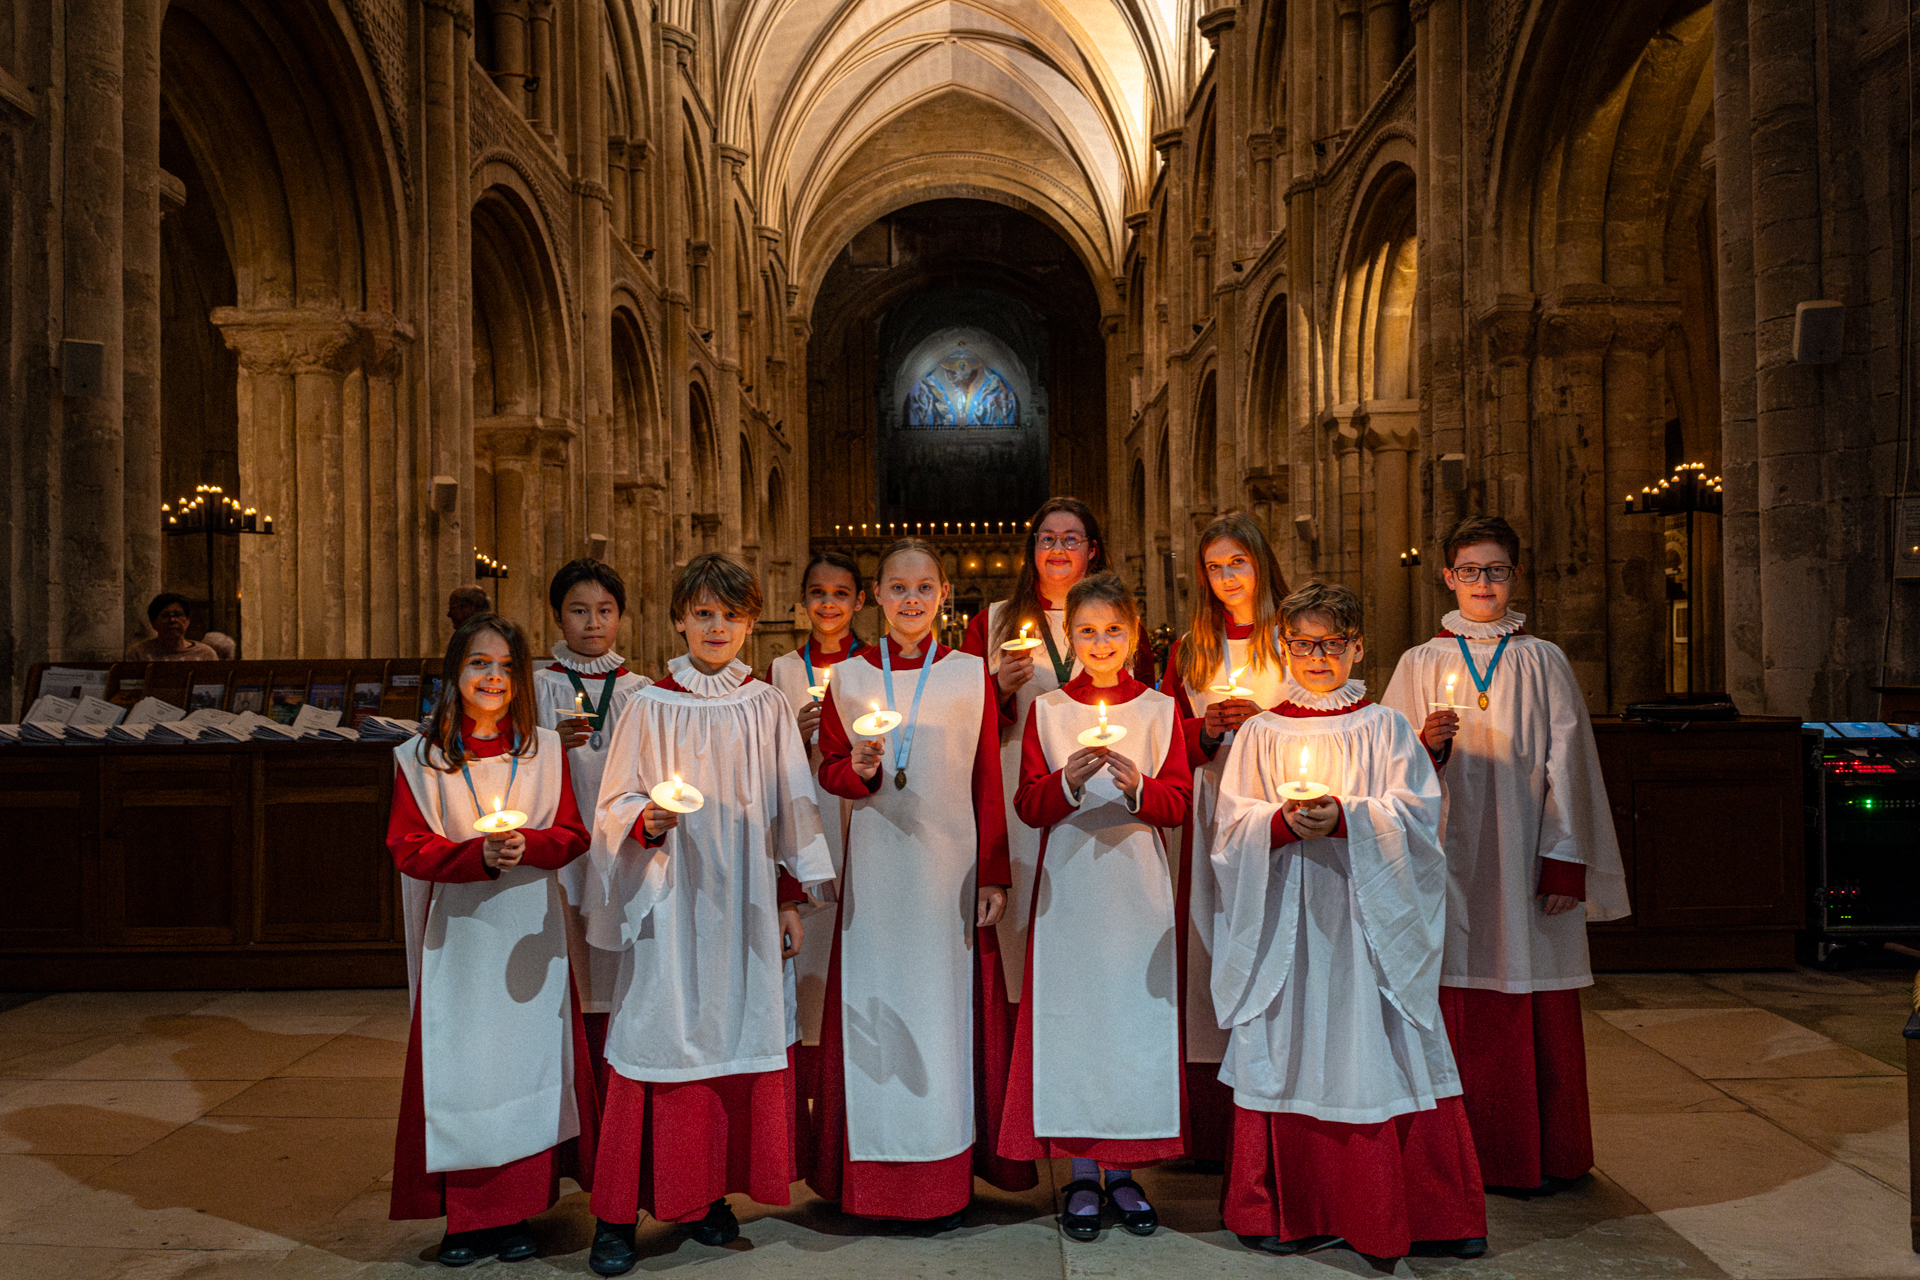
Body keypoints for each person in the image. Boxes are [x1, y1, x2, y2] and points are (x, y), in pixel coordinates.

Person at [1212, 582, 1485, 1260]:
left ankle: (1411, 1213)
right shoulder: (1260, 732)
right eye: (1302, 645)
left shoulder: (1387, 727)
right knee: (1288, 1037)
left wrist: (1347, 819)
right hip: (1287, 923)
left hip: (1367, 927)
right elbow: (1230, 830)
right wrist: (1279, 824)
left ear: (1357, 647)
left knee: (1378, 1038)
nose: (1317, 657)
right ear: (1284, 648)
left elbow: (1419, 818)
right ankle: (1284, 1208)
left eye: (1331, 644)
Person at [581, 553, 832, 1275]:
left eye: (731, 615)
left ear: (751, 623)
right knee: (655, 1039)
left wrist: (789, 899)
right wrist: (647, 821)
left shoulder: (766, 705)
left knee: (732, 1039)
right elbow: (614, 803)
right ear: (679, 620)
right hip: (668, 901)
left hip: (746, 903)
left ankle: (705, 1198)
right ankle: (616, 1215)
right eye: (703, 614)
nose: (717, 627)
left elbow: (792, 807)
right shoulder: (647, 705)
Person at [1381, 515, 1630, 1193]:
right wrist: (1427, 747)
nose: (1482, 583)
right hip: (1445, 858)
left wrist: (1566, 860)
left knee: (1529, 975)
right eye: (1469, 570)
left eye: (1495, 570)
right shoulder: (1419, 663)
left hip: (1526, 857)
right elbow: (1384, 767)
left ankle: (1539, 1151)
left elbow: (1569, 765)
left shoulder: (1542, 659)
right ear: (1447, 578)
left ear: (1514, 577)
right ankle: (1453, 1156)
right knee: (1451, 980)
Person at [811, 538, 1036, 1223]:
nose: (911, 599)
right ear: (877, 596)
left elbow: (987, 778)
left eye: (924, 588)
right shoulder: (849, 677)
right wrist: (859, 769)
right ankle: (875, 1180)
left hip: (950, 869)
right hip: (879, 870)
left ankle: (945, 1175)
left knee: (946, 1015)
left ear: (943, 595)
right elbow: (830, 769)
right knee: (876, 1000)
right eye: (898, 588)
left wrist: (993, 872)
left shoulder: (969, 674)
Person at [385, 613, 599, 1267]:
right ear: (455, 671)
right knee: (465, 1069)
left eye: (507, 667)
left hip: (528, 935)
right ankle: (467, 1219)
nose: (494, 677)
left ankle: (516, 1213)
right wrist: (472, 856)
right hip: (460, 937)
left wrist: (526, 844)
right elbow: (407, 846)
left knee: (525, 1066)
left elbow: (572, 834)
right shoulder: (421, 758)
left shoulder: (543, 750)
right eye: (480, 663)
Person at [1000, 571, 1192, 1242]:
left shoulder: (1160, 710)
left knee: (1131, 1022)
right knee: (1076, 1021)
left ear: (1133, 634)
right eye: (1087, 631)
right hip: (1072, 888)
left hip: (1136, 887)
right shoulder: (1049, 711)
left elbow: (1179, 803)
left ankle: (1126, 1170)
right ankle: (1083, 1171)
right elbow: (1029, 806)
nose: (1101, 642)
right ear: (1070, 637)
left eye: (1113, 630)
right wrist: (1066, 782)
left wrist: (1140, 786)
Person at [961, 498, 1151, 1005]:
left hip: (1107, 790)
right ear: (1032, 550)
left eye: (1071, 539)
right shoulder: (993, 623)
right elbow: (957, 719)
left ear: (1093, 550)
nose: (1058, 549)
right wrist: (997, 689)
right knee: (1027, 919)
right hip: (1017, 790)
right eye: (1047, 539)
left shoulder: (1121, 622)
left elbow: (1147, 705)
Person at [1159, 512, 1290, 1163]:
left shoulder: (1297, 638)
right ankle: (1211, 1131)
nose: (1228, 577)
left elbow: (1335, 720)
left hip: (1280, 816)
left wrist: (1266, 721)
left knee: (1274, 949)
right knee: (1207, 952)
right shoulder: (1191, 649)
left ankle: (1280, 1114)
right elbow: (1162, 739)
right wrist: (1205, 732)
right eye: (1215, 567)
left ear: (1262, 562)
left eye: (1238, 562)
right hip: (1210, 815)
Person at [533, 559, 653, 1098]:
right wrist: (547, 744)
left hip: (622, 844)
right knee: (568, 961)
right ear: (557, 616)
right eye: (579, 611)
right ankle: (573, 1088)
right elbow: (513, 762)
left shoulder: (640, 690)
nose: (593, 622)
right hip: (561, 843)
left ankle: (620, 1080)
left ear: (621, 617)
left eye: (605, 611)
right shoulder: (538, 686)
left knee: (618, 958)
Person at [764, 550, 868, 1094]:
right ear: (802, 600)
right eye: (818, 593)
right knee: (813, 948)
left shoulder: (872, 665)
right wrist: (798, 734)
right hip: (804, 811)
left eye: (840, 594)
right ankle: (809, 1073)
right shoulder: (782, 670)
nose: (828, 604)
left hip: (859, 814)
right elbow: (765, 755)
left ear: (860, 601)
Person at [125, 593, 218, 661]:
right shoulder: (139, 653)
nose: (172, 620)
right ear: (153, 622)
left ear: (188, 620)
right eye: (166, 616)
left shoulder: (206, 653)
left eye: (178, 615)